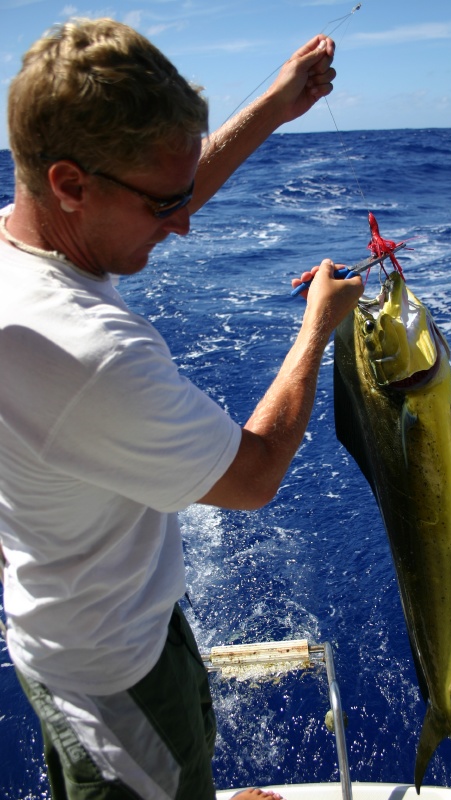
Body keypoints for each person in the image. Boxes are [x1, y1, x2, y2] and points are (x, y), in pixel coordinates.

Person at [0, 17, 363, 800]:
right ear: (69, 183)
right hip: (112, 679)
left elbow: (156, 190)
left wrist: (272, 105)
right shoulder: (89, 356)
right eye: (166, 203)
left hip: (82, 625)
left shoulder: (23, 254)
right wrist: (316, 332)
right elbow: (254, 476)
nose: (186, 221)